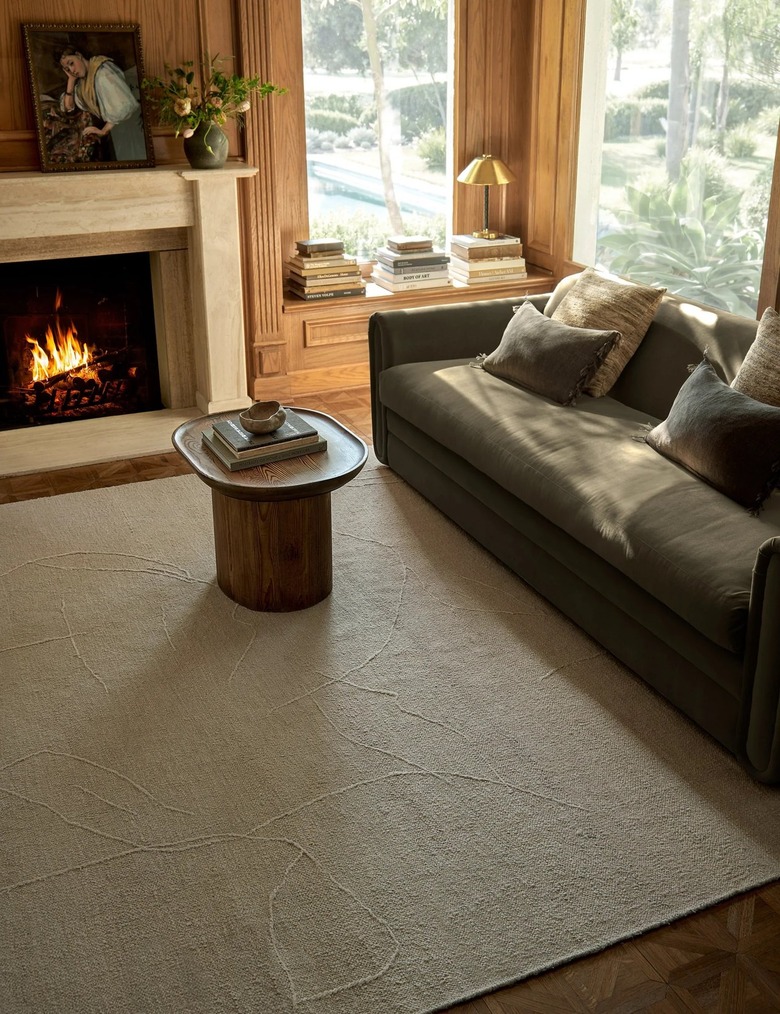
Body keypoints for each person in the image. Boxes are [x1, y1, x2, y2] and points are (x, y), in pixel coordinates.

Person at [58, 47, 147, 161]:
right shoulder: (82, 83)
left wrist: (103, 131)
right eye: (67, 69)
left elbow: (122, 107)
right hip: (114, 131)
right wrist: (71, 80)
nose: (72, 70)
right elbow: (68, 107)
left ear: (79, 55)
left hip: (128, 128)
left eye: (72, 63)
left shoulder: (102, 72)